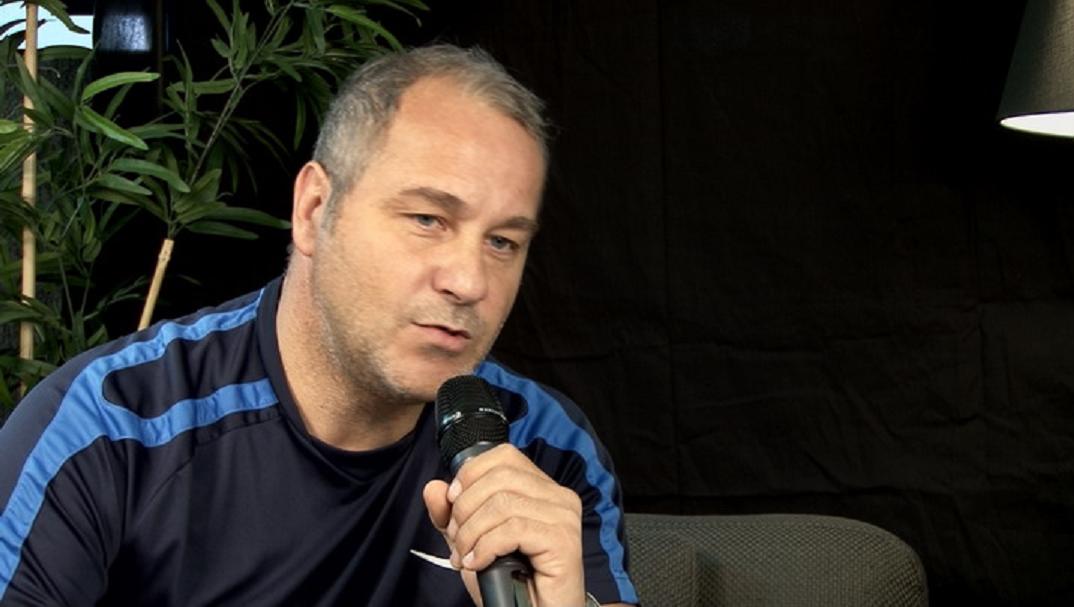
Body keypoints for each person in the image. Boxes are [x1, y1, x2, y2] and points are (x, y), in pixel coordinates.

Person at [0, 45, 638, 606]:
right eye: (427, 219)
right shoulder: (109, 429)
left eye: (502, 242)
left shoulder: (545, 453)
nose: (469, 281)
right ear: (313, 210)